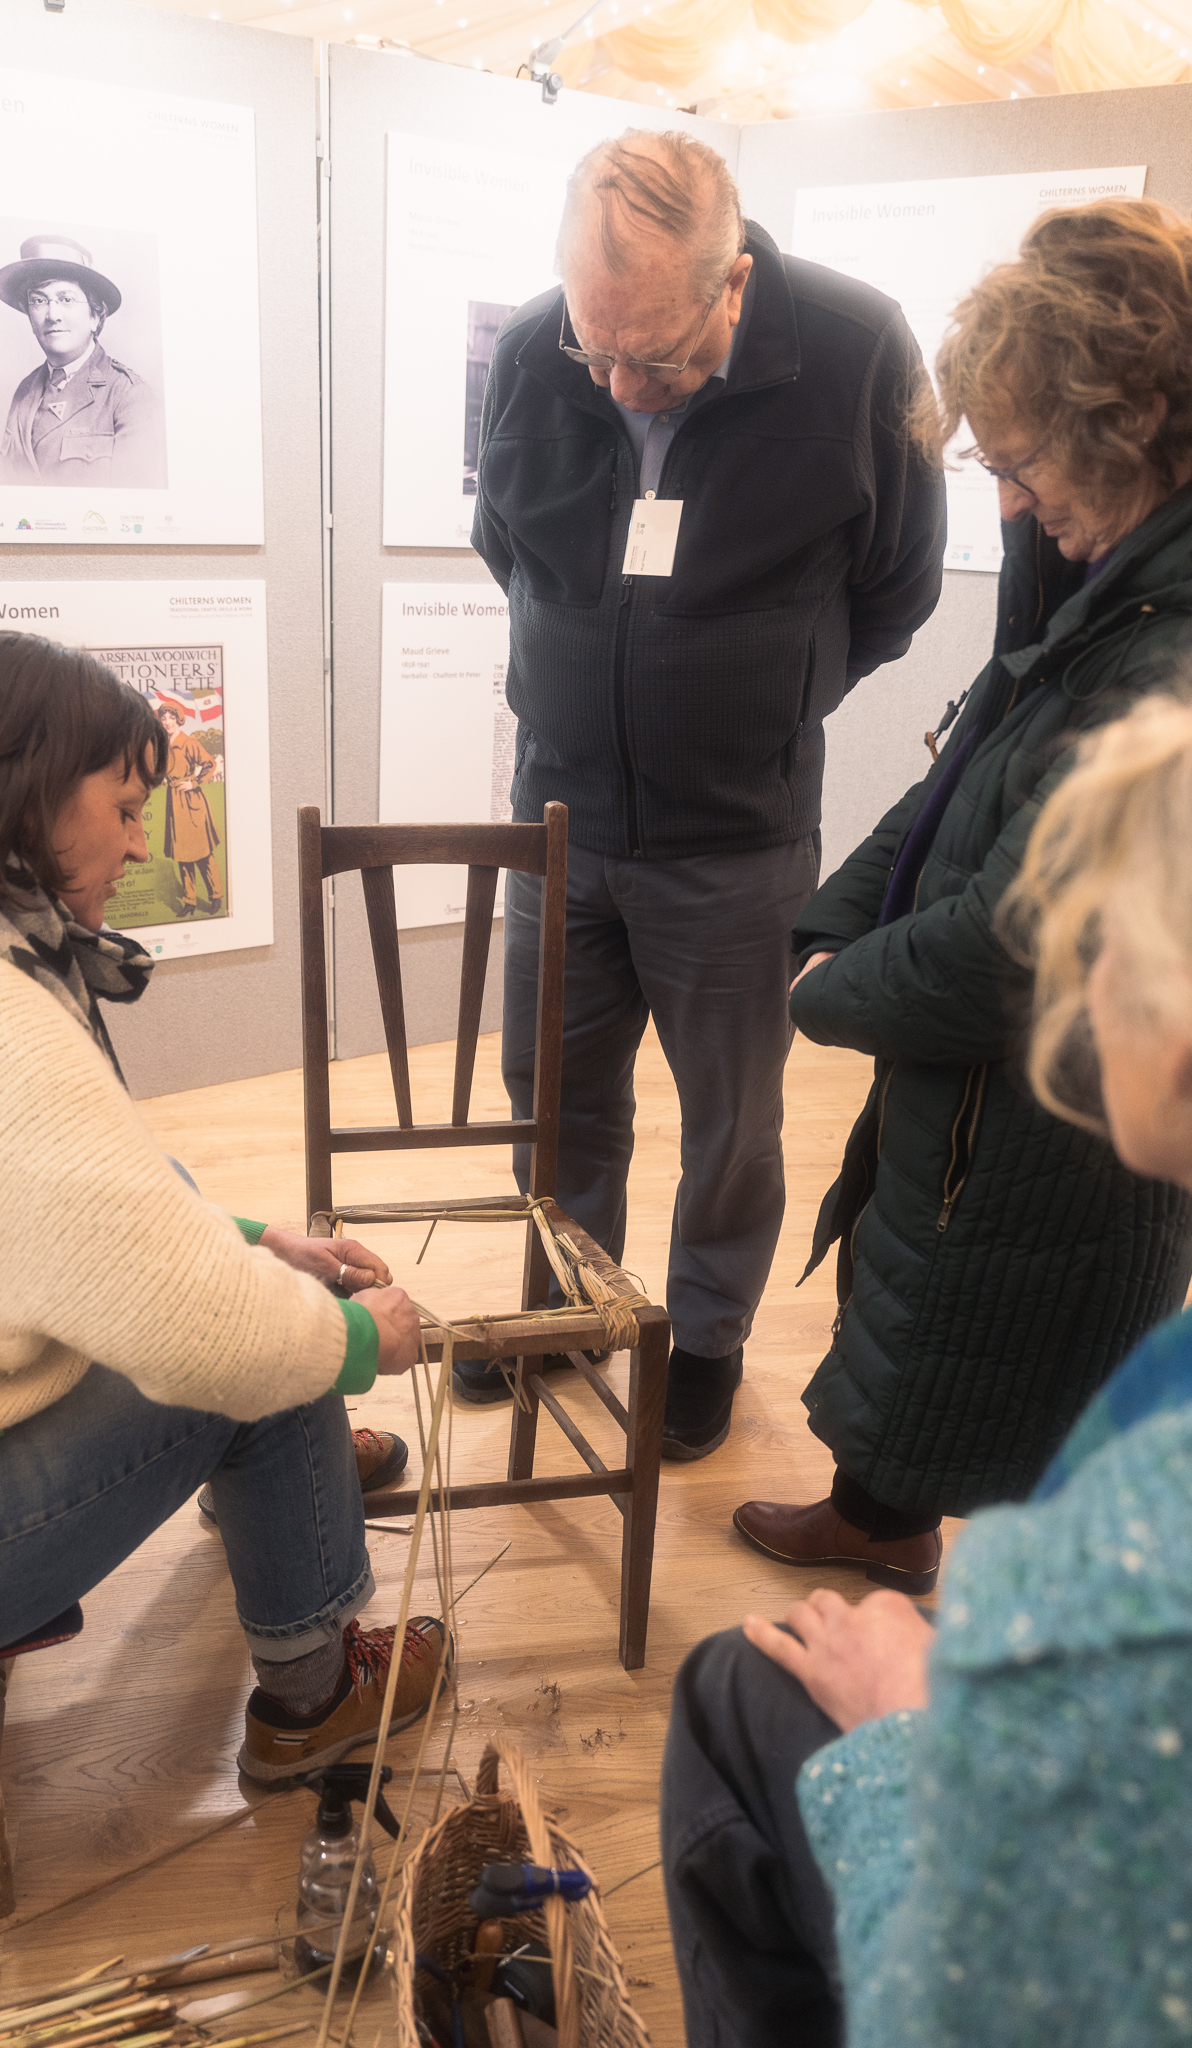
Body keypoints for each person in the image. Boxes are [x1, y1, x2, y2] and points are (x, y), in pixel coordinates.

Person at [663, 690, 1192, 2048]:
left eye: (1088, 951)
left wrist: (910, 1733)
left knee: (738, 1685)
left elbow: (975, 2006)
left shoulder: (1141, 1537)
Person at [0, 631, 443, 1779]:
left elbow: (91, 1191)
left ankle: (275, 1484)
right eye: (119, 804)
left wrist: (260, 1236)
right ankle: (315, 1701)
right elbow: (204, 1323)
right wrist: (360, 1338)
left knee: (243, 1266)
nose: (136, 837)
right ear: (25, 792)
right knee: (267, 1350)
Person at [735, 198, 1192, 1594]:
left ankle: (952, 1627)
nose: (1006, 496)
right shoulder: (1099, 582)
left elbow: (1014, 934)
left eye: (1024, 459)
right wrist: (829, 920)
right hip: (986, 1102)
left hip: (1045, 1109)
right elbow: (962, 774)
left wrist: (829, 992)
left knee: (986, 1332)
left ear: (1122, 428)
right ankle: (878, 1523)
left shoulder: (1163, 644)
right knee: (921, 1289)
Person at [469, 130, 946, 1456]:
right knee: (554, 1101)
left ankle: (705, 1336)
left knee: (731, 1119)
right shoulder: (528, 351)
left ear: (731, 282)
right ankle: (565, 1309)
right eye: (595, 348)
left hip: (735, 837)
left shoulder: (856, 348)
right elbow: (504, 546)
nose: (620, 383)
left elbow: (900, 579)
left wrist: (766, 691)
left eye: (653, 355)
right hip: (557, 814)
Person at [0, 235, 167, 489]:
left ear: (96, 315)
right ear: (30, 317)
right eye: (39, 301)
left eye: (67, 299)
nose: (53, 315)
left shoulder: (129, 395)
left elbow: (135, 506)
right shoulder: (25, 391)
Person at [157, 699, 224, 918]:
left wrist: (194, 782)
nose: (167, 722)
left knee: (203, 855)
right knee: (182, 856)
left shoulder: (189, 742)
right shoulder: (163, 744)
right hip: (174, 803)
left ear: (179, 719)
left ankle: (216, 896)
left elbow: (210, 764)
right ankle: (189, 901)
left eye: (171, 718)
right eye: (164, 718)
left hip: (192, 803)